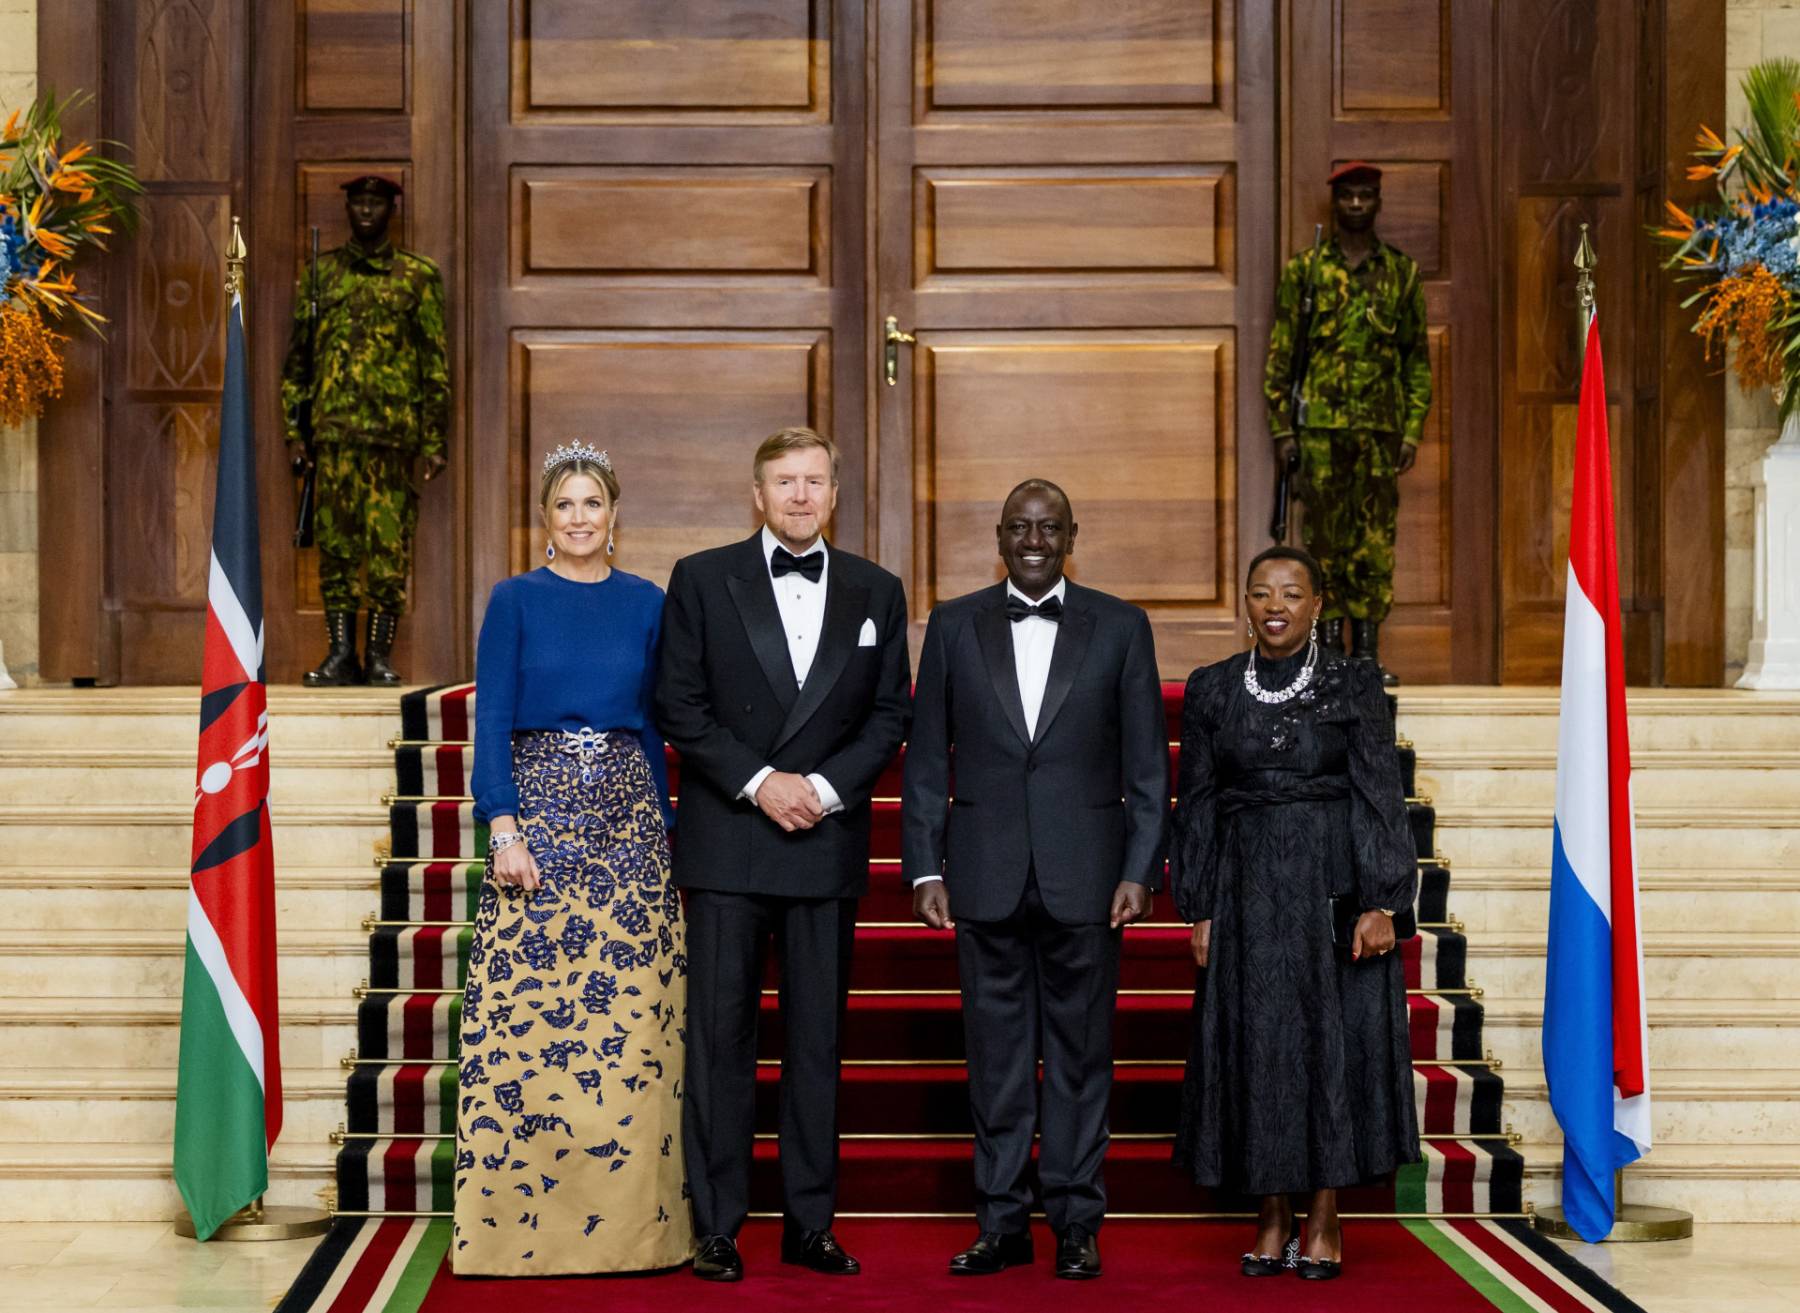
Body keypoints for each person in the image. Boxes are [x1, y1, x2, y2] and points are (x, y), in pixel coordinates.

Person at [655, 427, 911, 1282]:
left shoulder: (879, 589)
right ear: (756, 494)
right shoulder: (700, 578)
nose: (800, 495)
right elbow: (679, 705)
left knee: (815, 1045)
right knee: (720, 1043)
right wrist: (764, 781)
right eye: (784, 482)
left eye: (814, 482)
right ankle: (718, 1224)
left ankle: (811, 1223)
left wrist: (824, 790)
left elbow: (888, 717)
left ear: (835, 494)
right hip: (730, 843)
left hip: (824, 842)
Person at [902, 479, 1167, 1281]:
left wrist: (1139, 869)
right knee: (997, 1061)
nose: (1033, 539)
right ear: (999, 535)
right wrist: (922, 865)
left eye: (1048, 527)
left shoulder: (1122, 626)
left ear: (1071, 536)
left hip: (1087, 877)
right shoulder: (952, 625)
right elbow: (923, 761)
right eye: (1019, 526)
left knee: (1083, 1061)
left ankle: (1077, 1222)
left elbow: (1148, 766)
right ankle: (1002, 1222)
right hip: (982, 875)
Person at [453, 444, 691, 1276]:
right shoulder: (514, 600)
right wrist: (503, 825)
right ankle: (522, 1235)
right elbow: (492, 720)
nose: (580, 517)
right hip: (541, 818)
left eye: (593, 503)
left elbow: (666, 717)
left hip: (628, 815)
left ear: (615, 515)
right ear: (545, 519)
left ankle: (636, 1231)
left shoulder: (648, 603)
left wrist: (669, 820)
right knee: (536, 1028)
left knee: (629, 1028)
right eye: (565, 505)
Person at [1169, 544, 1420, 1281]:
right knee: (1260, 1045)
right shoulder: (1214, 687)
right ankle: (1271, 1212)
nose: (1275, 605)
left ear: (1317, 603)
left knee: (1329, 1042)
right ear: (1245, 604)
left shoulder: (1352, 680)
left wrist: (1383, 899)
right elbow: (1201, 803)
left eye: (1291, 592)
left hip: (1330, 886)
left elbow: (1380, 790)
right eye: (1260, 592)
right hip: (1246, 891)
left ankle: (1323, 1212)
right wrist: (1201, 904)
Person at [1263, 161, 1432, 685]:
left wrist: (1411, 429)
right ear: (1333, 204)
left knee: (1375, 541)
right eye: (1347, 197)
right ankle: (1330, 650)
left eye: (1365, 196)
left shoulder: (1401, 274)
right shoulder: (1305, 271)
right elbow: (1282, 356)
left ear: (1377, 202)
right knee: (1325, 543)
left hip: (1379, 432)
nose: (1356, 204)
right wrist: (1284, 431)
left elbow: (1416, 361)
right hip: (1319, 432)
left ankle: (1368, 653)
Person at [281, 173, 450, 687]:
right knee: (334, 551)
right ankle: (339, 655)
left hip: (392, 441)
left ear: (391, 210)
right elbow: (299, 361)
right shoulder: (321, 275)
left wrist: (433, 438)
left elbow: (434, 362)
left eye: (377, 203)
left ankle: (377, 656)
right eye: (359, 203)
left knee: (387, 553)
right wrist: (295, 431)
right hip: (333, 438)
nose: (367, 212)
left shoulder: (418, 276)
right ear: (349, 209)